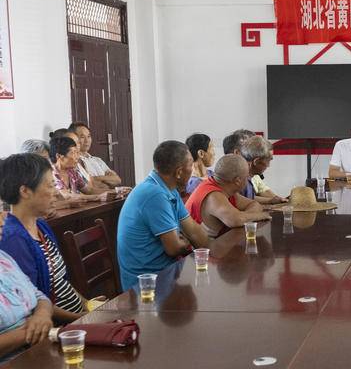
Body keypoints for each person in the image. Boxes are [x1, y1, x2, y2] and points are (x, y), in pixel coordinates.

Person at [0, 153, 94, 322]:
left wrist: (87, 305)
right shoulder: (14, 239)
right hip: (58, 326)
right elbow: (32, 302)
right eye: (50, 186)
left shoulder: (41, 226)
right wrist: (80, 318)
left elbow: (61, 282)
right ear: (25, 191)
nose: (57, 193)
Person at [117, 140, 209, 290]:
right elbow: (174, 248)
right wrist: (187, 242)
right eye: (191, 165)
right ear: (179, 172)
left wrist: (214, 251)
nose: (193, 170)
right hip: (145, 284)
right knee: (205, 292)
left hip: (166, 272)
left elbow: (193, 230)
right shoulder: (154, 194)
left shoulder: (169, 189)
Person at [184, 155, 270, 238]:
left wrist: (244, 216)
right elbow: (235, 220)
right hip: (198, 247)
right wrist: (260, 215)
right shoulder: (213, 195)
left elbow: (254, 204)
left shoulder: (227, 189)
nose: (248, 179)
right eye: (246, 176)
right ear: (237, 181)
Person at [48, 136, 112, 202]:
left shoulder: (72, 172)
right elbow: (67, 196)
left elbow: (89, 190)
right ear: (59, 156)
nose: (77, 157)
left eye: (77, 153)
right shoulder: (51, 173)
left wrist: (113, 191)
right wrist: (98, 197)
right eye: (73, 153)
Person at [68, 122, 122, 188]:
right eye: (82, 137)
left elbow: (117, 180)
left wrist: (95, 178)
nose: (87, 140)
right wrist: (107, 179)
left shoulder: (97, 160)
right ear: (74, 139)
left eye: (88, 136)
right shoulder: (74, 162)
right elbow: (89, 186)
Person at [238, 136, 286, 204]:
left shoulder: (247, 178)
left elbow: (248, 199)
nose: (268, 166)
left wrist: (271, 201)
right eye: (268, 161)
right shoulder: (240, 181)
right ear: (256, 161)